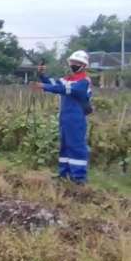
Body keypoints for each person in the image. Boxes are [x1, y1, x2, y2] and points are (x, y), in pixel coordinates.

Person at [32, 50, 92, 183]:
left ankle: (79, 178)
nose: (74, 65)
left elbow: (65, 90)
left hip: (76, 118)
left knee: (76, 146)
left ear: (84, 65)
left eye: (78, 63)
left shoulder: (84, 81)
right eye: (73, 62)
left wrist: (44, 86)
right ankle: (64, 173)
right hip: (65, 117)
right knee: (64, 146)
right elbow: (54, 84)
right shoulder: (67, 79)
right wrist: (42, 75)